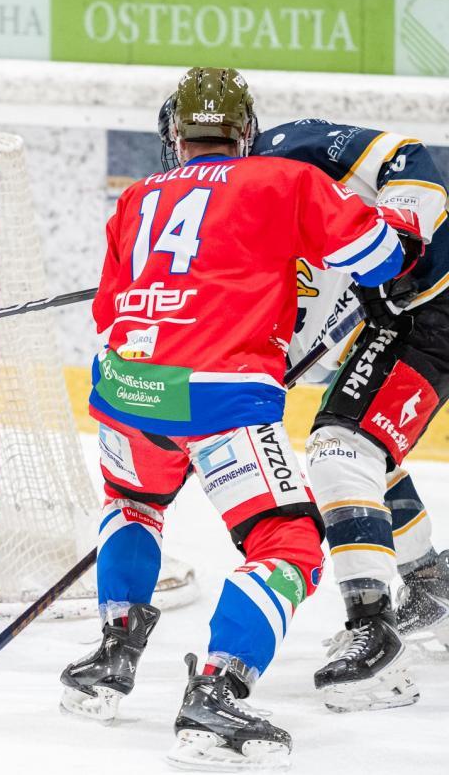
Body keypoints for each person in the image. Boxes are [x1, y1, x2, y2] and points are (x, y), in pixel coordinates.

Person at [59, 67, 423, 770]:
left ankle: (112, 656)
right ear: (246, 132)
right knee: (288, 542)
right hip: (219, 395)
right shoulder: (284, 181)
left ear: (175, 134)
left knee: (134, 505)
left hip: (125, 388)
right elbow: (380, 259)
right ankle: (217, 691)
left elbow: (107, 311)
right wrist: (405, 217)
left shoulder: (136, 196)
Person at [250, 119, 448, 710]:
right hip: (393, 320)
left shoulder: (291, 149)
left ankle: (375, 633)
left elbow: (403, 155)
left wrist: (400, 236)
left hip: (434, 301)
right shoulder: (217, 213)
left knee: (342, 450)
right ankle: (430, 585)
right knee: (362, 450)